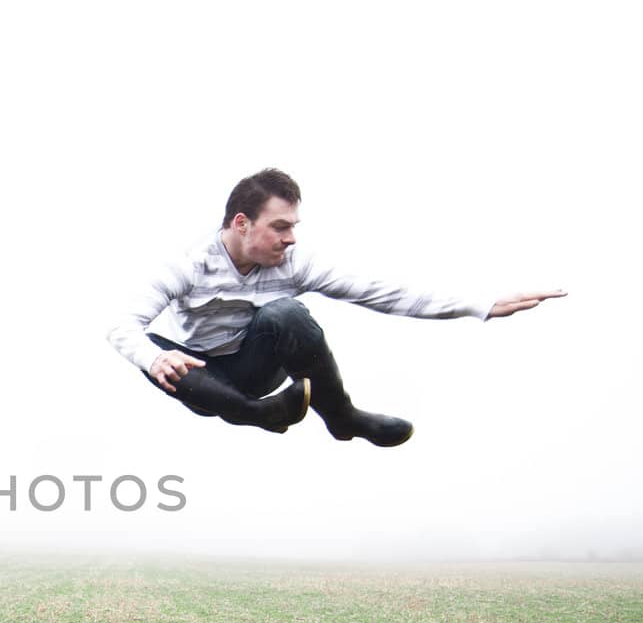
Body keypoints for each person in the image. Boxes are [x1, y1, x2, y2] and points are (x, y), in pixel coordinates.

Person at [106, 169, 566, 446]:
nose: (291, 238)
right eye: (280, 227)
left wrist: (479, 305)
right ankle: (258, 413)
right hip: (204, 379)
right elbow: (120, 325)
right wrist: (154, 356)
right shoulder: (189, 265)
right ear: (242, 223)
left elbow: (380, 291)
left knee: (287, 313)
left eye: (294, 226)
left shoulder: (294, 264)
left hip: (254, 365)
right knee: (154, 352)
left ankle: (342, 417)